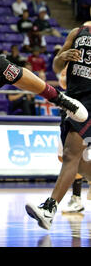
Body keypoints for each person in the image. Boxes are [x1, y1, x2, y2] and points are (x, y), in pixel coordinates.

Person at [25, 13, 91, 229]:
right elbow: (55, 66)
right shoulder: (77, 33)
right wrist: (64, 57)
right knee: (77, 161)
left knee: (72, 153)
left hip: (90, 101)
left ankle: (49, 208)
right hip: (71, 100)